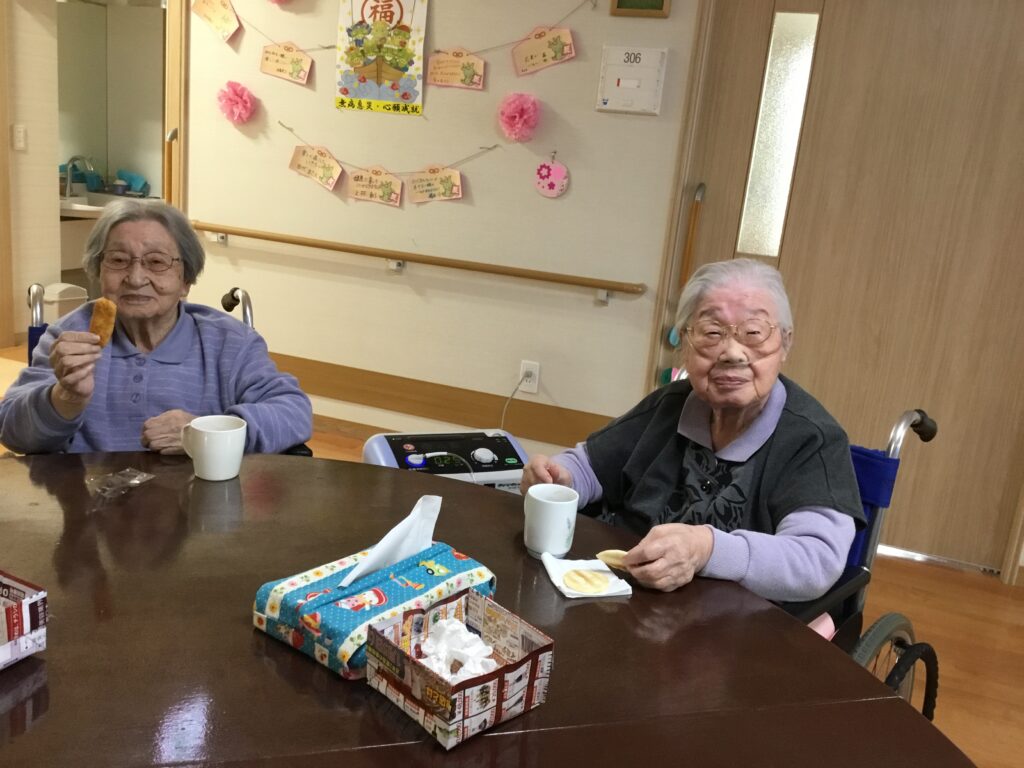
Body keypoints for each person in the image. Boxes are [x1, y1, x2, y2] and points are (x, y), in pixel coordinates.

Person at [520, 258, 863, 602]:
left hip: (732, 622)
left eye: (754, 332)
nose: (732, 353)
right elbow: (588, 466)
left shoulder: (813, 439)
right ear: (685, 344)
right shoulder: (670, 405)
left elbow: (815, 561)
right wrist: (559, 478)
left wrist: (707, 548)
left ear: (785, 343)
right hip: (622, 599)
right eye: (712, 333)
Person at [0, 199, 313, 455]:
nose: (136, 278)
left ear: (186, 280)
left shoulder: (230, 342)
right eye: (118, 260)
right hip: (89, 505)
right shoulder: (70, 337)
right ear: (98, 271)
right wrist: (64, 398)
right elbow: (10, 430)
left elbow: (294, 412)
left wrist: (206, 433)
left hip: (199, 505)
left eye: (157, 262)